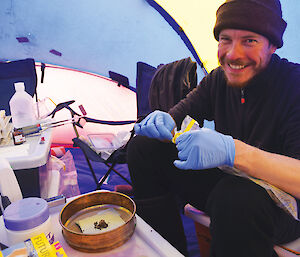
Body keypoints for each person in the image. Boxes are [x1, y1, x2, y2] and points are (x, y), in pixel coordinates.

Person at [126, 0, 300, 256]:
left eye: (249, 40)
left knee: (235, 198)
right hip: (231, 182)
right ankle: (167, 250)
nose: (232, 54)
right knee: (143, 148)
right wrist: (163, 124)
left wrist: (234, 151)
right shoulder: (219, 79)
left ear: (273, 45)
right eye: (225, 39)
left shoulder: (293, 85)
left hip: (283, 205)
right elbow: (178, 118)